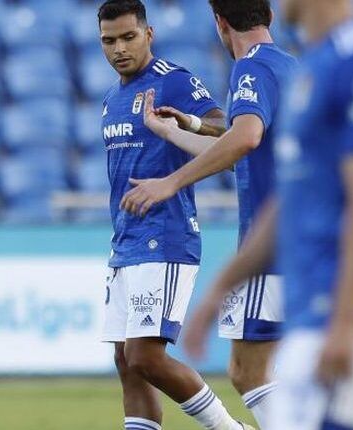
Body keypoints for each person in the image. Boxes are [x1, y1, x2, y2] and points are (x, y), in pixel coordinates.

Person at [184, 0, 353, 429]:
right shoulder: (308, 69)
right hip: (308, 285)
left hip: (345, 293)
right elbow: (294, 198)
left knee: (258, 380)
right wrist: (221, 286)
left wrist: (346, 324)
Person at [120, 1, 295, 428]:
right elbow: (241, 152)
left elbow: (246, 138)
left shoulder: (250, 68)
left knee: (247, 372)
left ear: (219, 22)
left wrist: (171, 182)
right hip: (304, 237)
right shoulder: (290, 66)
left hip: (270, 242)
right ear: (268, 16)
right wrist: (180, 130)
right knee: (278, 371)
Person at [97, 1, 253, 429]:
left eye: (128, 37)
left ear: (149, 34)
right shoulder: (112, 99)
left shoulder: (173, 81)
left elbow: (229, 129)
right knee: (125, 359)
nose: (119, 48)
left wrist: (190, 122)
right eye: (109, 41)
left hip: (164, 236)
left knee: (145, 355)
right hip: (126, 242)